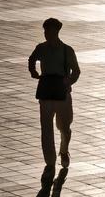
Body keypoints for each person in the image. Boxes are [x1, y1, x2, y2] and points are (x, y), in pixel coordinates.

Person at [28, 18, 80, 177]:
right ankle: (50, 161)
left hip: (62, 92)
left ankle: (64, 150)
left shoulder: (67, 50)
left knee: (64, 126)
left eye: (49, 31)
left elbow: (76, 71)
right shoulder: (41, 48)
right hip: (45, 91)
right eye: (45, 31)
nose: (46, 34)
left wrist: (68, 82)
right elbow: (32, 59)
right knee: (46, 127)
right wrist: (33, 71)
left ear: (56, 32)